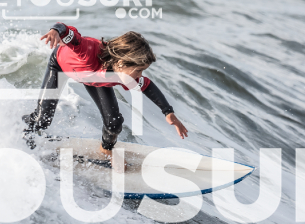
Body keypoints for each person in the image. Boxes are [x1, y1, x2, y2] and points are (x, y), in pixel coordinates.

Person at [22, 23, 188, 158]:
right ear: (121, 63)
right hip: (60, 66)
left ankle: (106, 150)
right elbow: (67, 31)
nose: (140, 76)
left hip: (92, 78)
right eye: (138, 70)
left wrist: (168, 112)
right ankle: (22, 131)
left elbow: (148, 86)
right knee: (42, 119)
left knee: (114, 123)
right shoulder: (88, 50)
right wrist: (56, 30)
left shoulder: (122, 73)